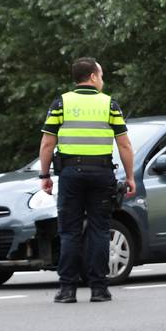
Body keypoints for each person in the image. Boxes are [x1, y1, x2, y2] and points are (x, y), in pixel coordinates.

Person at [38, 58, 135, 303]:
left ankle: (67, 290)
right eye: (101, 75)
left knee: (69, 231)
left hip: (70, 174)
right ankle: (99, 289)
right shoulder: (109, 104)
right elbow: (124, 144)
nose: (102, 80)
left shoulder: (61, 103)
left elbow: (48, 143)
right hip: (101, 174)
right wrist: (130, 176)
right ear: (92, 76)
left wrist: (45, 175)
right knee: (99, 230)